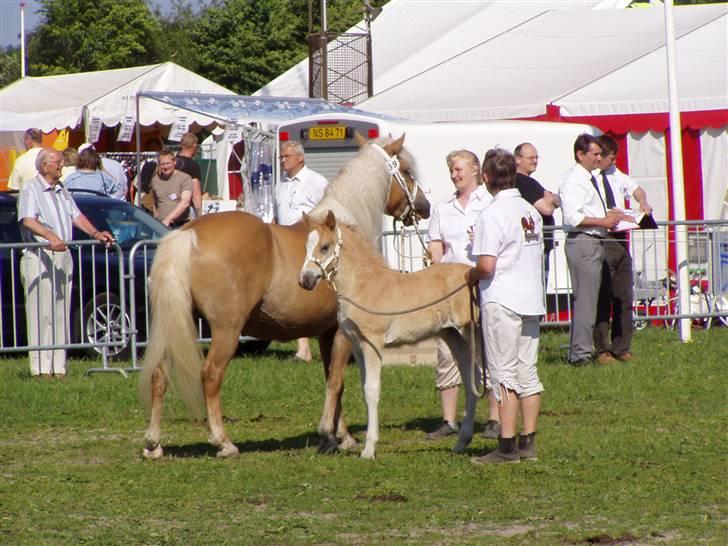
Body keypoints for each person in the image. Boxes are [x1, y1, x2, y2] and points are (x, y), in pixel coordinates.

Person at [468, 148, 545, 464]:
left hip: (502, 299)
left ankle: (507, 444)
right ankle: (528, 441)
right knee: (527, 371)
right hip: (530, 297)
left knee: (503, 373)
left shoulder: (491, 214)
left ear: (486, 178)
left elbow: (486, 265)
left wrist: (469, 275)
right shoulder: (531, 211)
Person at [18, 148, 114, 378]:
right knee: (42, 313)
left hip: (63, 255)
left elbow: (76, 215)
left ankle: (58, 367)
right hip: (40, 257)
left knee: (60, 312)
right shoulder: (31, 188)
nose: (61, 164)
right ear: (44, 166)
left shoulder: (61, 189)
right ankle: (40, 368)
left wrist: (95, 233)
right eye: (57, 161)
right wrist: (51, 236)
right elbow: (28, 219)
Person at [424, 150, 501, 440]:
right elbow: (436, 244)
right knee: (447, 352)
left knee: (487, 349)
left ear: (474, 171)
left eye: (458, 170)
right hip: (451, 290)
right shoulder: (443, 207)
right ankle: (449, 420)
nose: (454, 175)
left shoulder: (490, 204)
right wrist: (436, 263)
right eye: (451, 171)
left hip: (483, 284)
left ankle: (494, 418)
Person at [558, 134, 620, 366]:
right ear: (580, 154)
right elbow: (573, 216)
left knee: (590, 300)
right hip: (583, 240)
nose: (598, 158)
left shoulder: (588, 178)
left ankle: (582, 350)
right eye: (594, 154)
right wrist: (603, 222)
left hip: (592, 240)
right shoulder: (573, 180)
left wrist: (612, 217)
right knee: (585, 301)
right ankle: (580, 355)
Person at [593, 135, 653, 364]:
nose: (614, 161)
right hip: (602, 236)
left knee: (624, 294)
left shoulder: (616, 175)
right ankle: (602, 348)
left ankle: (622, 346)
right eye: (610, 157)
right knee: (603, 295)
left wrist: (642, 202)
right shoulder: (590, 179)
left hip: (620, 238)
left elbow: (636, 189)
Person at [276, 140, 328, 362]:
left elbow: (327, 211)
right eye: (281, 157)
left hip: (308, 244)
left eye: (286, 156)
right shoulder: (281, 185)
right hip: (285, 242)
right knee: (295, 289)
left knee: (309, 289)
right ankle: (303, 348)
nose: (283, 160)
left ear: (300, 157)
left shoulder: (316, 181)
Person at [514, 143, 560, 280]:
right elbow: (546, 209)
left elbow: (556, 199)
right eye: (531, 158)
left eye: (536, 157)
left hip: (540, 245)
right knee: (538, 286)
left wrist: (552, 199)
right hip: (536, 246)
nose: (535, 161)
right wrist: (552, 201)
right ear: (518, 159)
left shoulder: (530, 181)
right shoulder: (523, 182)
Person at [150, 149, 193, 228]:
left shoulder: (184, 178)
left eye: (168, 163)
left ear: (174, 162)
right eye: (163, 164)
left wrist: (168, 219)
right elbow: (154, 202)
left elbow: (185, 202)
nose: (166, 166)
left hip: (181, 226)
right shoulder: (155, 180)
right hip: (161, 225)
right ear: (159, 165)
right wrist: (156, 217)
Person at [175, 132, 203, 217]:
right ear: (194, 146)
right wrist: (199, 215)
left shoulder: (170, 162)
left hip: (168, 206)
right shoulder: (192, 165)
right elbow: (196, 194)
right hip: (185, 209)